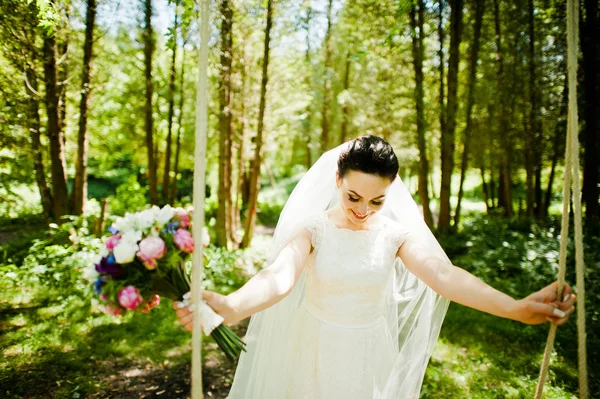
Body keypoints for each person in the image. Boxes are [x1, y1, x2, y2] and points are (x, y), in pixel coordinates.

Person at [174, 136, 576, 398]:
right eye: (353, 197)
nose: (363, 211)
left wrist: (515, 307)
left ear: (391, 192)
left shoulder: (393, 235)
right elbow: (277, 278)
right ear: (337, 180)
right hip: (313, 352)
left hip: (369, 356)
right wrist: (230, 305)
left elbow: (444, 275)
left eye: (376, 201)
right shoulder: (314, 230)